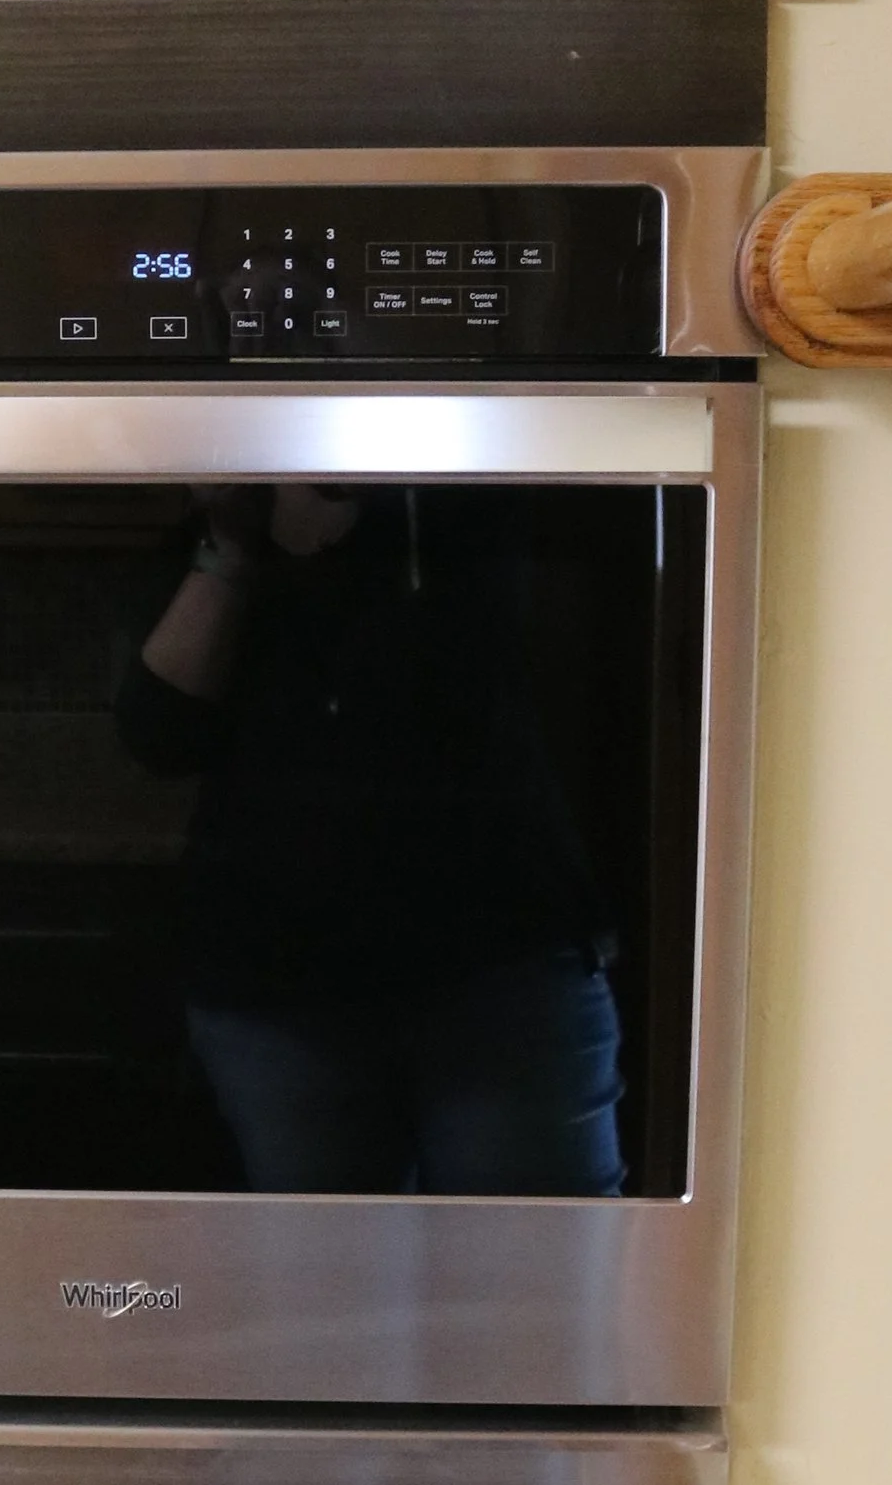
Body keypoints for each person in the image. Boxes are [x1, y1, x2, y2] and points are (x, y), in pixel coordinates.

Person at [114, 483, 626, 1195]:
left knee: (533, 1284)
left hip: (500, 966)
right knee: (327, 1295)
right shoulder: (221, 529)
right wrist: (231, 550)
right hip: (278, 988)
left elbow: (444, 682)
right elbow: (159, 734)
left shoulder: (461, 494)